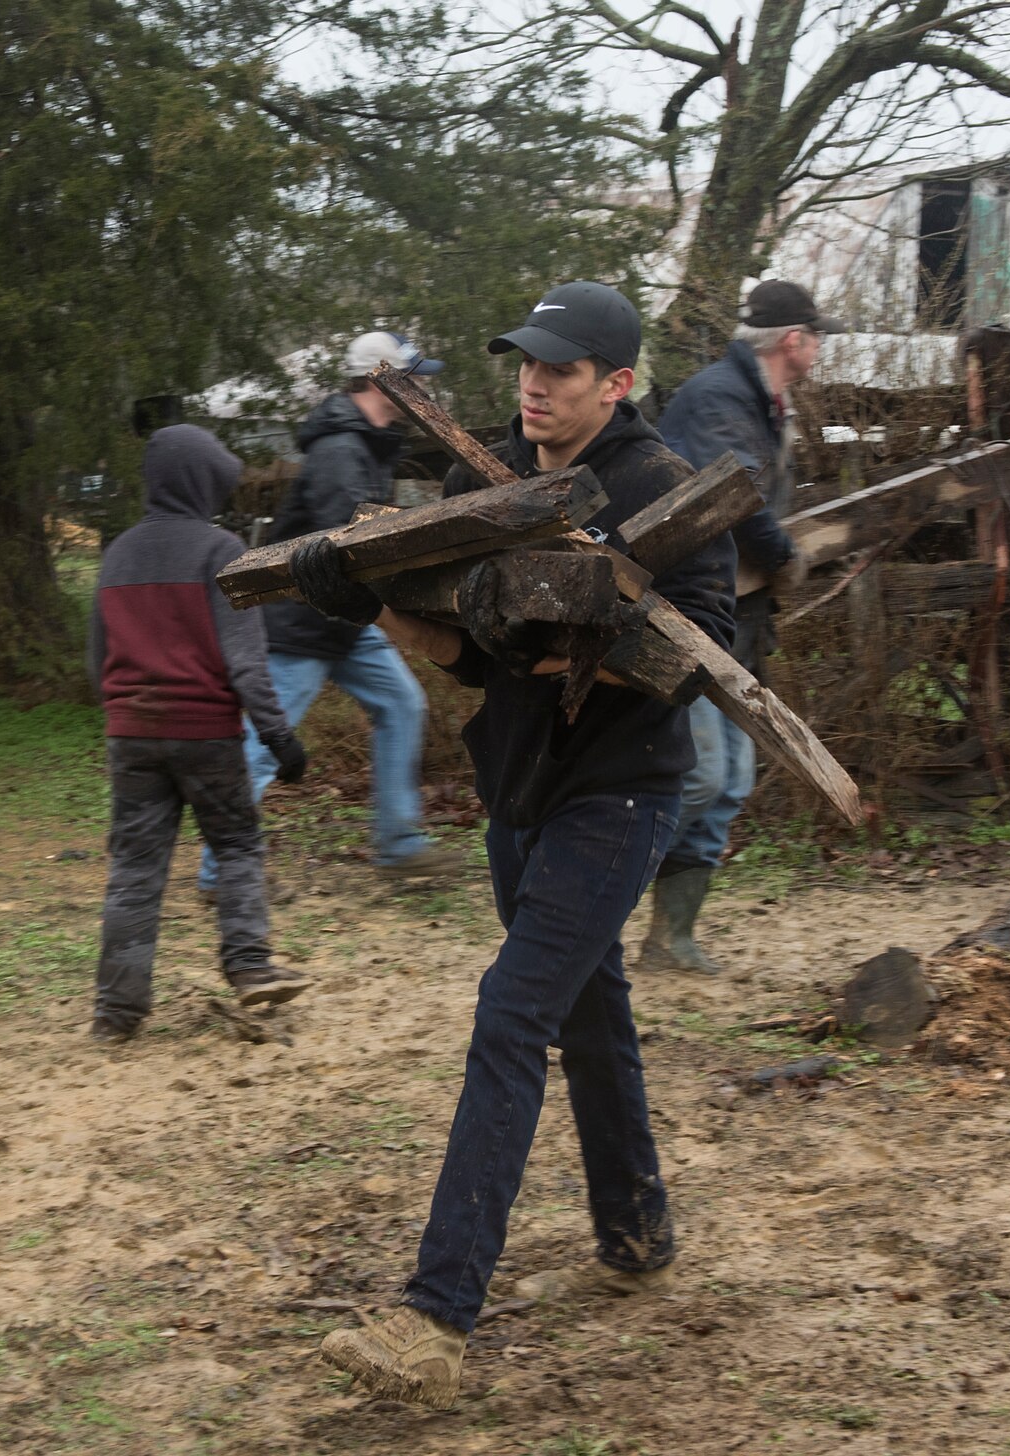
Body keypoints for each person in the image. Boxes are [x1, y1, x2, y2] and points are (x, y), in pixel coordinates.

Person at [303, 282, 736, 1407]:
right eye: (524, 366)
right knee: (589, 1018)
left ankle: (435, 1317)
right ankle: (635, 1230)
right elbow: (456, 652)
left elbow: (714, 654)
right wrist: (363, 595)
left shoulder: (667, 492)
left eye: (559, 369)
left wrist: (581, 622)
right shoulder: (475, 482)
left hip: (621, 794)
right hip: (519, 789)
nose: (532, 385)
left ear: (618, 383)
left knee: (511, 1014)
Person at [196, 332, 461, 900]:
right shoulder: (341, 449)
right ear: (382, 379)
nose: (425, 387)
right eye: (415, 376)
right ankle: (221, 871)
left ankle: (399, 845)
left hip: (345, 618)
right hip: (301, 621)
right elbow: (349, 543)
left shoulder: (368, 442)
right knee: (267, 741)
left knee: (402, 705)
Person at [642, 279, 846, 972]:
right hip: (686, 609)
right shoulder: (720, 399)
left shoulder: (763, 402)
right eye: (816, 335)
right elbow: (734, 499)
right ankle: (589, 894)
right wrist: (786, 557)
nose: (820, 347)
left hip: (736, 615)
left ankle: (672, 939)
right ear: (794, 341)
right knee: (698, 777)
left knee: (728, 782)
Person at [87, 425, 312, 1043]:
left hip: (130, 735)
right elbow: (246, 662)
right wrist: (280, 740)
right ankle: (249, 966)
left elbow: (96, 659)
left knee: (135, 870)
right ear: (203, 482)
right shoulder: (220, 551)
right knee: (237, 845)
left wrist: (125, 712)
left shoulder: (116, 555)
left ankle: (116, 1014)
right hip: (207, 736)